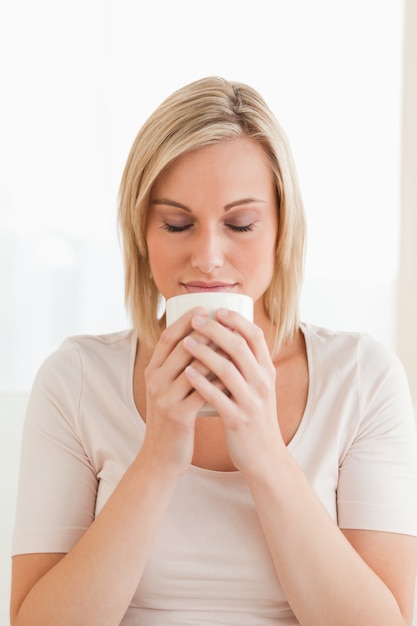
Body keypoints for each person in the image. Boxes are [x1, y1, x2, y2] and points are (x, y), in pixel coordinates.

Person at [10, 76, 417, 626]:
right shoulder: (75, 379)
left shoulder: (362, 379)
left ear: (281, 231)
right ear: (141, 235)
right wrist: (156, 461)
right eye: (177, 224)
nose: (207, 257)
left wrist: (267, 454)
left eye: (241, 224)